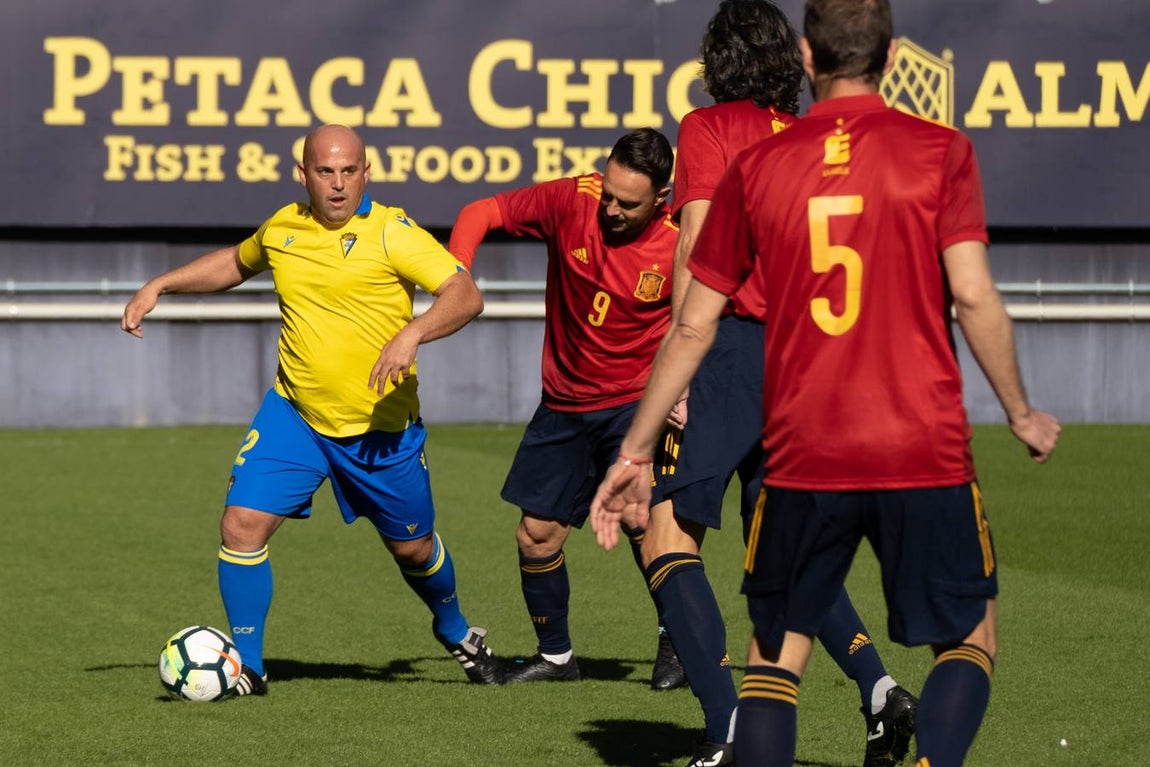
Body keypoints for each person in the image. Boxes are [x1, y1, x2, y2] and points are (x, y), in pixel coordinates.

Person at [590, 1, 1061, 765]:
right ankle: (898, 712)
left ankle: (731, 723)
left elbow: (696, 299)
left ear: (811, 57)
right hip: (907, 418)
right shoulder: (937, 147)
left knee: (765, 637)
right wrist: (1019, 409)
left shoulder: (748, 157)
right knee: (966, 634)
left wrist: (639, 441)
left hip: (784, 400)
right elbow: (972, 294)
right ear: (892, 53)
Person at [121, 123, 504, 693]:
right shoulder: (284, 227)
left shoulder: (391, 232)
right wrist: (160, 285)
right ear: (302, 174)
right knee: (241, 524)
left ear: (367, 172)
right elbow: (235, 262)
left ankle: (454, 631)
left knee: (414, 548)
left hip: (381, 431)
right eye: (325, 171)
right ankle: (249, 666)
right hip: (295, 415)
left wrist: (413, 334)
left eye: (350, 170)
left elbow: (465, 294)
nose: (339, 183)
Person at [646, 2, 915, 765]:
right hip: (807, 359)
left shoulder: (708, 128)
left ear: (716, 60)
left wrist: (680, 360)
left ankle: (728, 726)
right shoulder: (806, 139)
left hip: (732, 345)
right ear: (789, 60)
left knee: (665, 534)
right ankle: (880, 687)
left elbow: (696, 241)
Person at [448, 127, 685, 689]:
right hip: (563, 404)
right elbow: (480, 211)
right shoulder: (570, 198)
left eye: (628, 203)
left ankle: (680, 641)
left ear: (662, 198)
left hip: (635, 403)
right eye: (608, 193)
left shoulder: (682, 239)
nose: (611, 208)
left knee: (642, 523)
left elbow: (705, 320)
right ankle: (557, 658)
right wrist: (456, 273)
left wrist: (685, 387)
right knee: (535, 535)